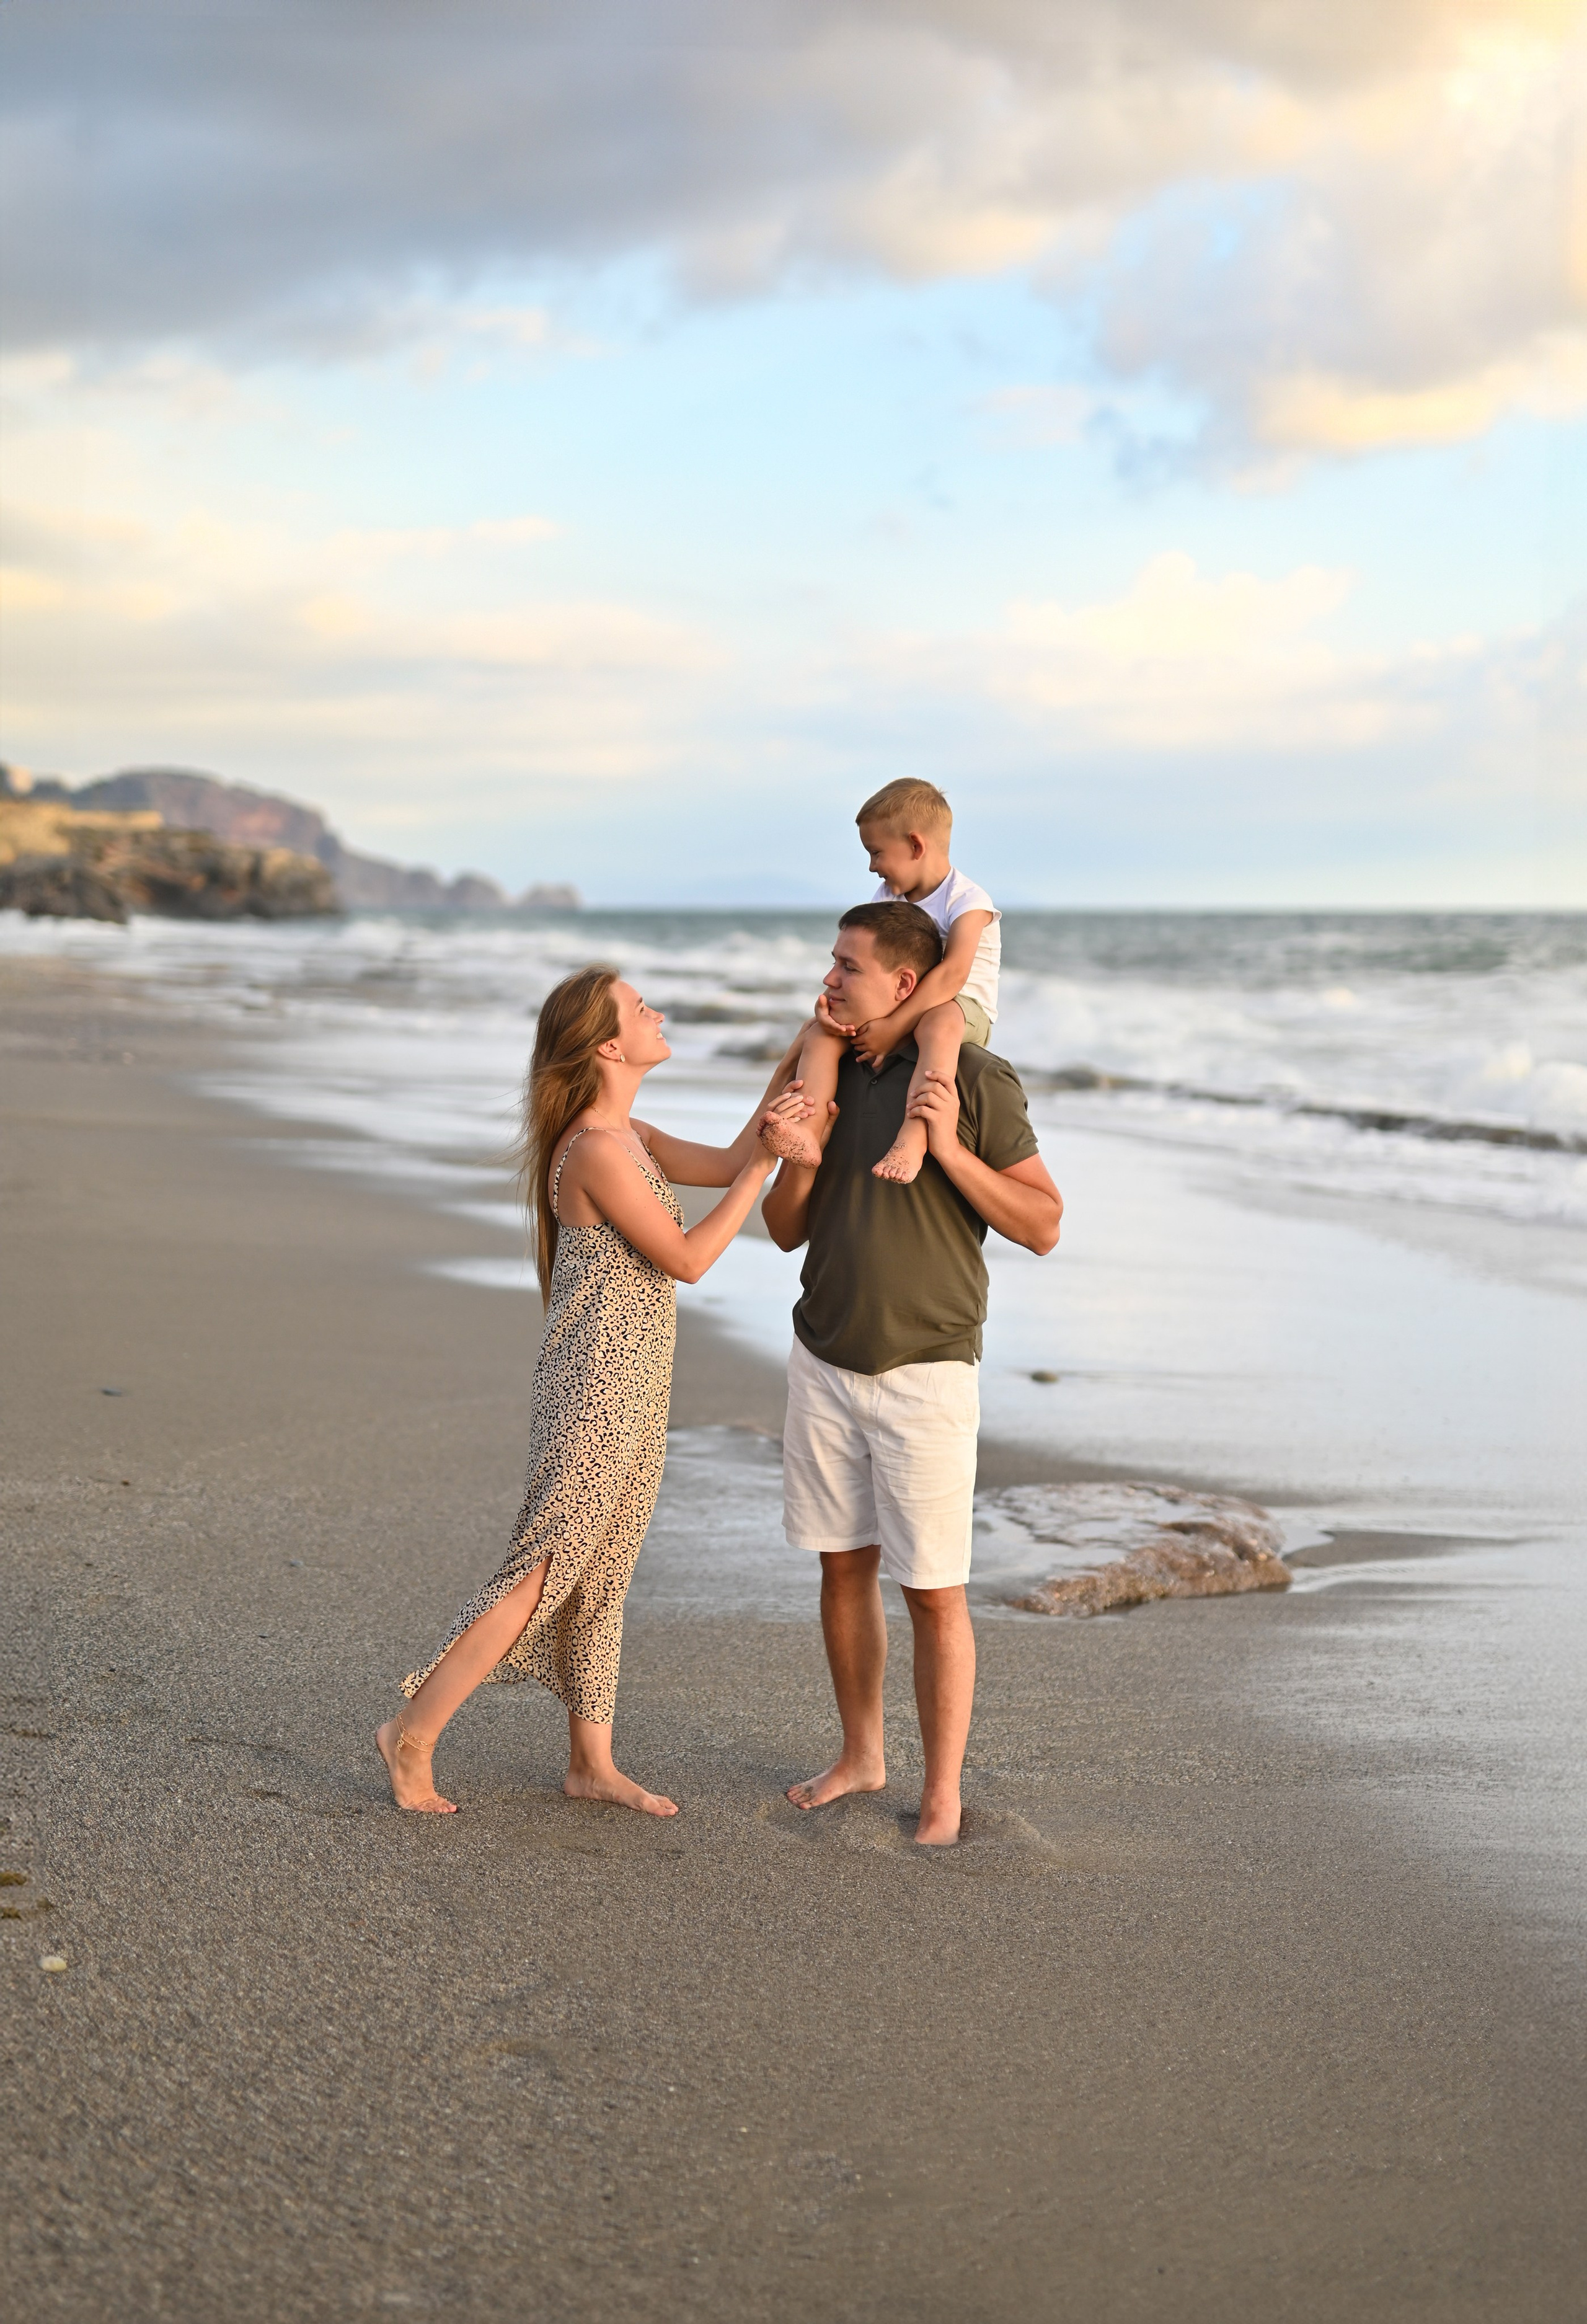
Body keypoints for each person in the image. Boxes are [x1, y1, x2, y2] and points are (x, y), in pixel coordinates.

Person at [376, 965, 811, 1817]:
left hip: (640, 1383)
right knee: (543, 1570)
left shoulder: (632, 1134)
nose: (657, 1013)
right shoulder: (598, 1150)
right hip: (592, 1387)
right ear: (611, 1043)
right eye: (641, 1007)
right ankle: (411, 1734)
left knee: (605, 1573)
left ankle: (590, 1764)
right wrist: (768, 1166)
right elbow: (688, 1258)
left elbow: (728, 1159)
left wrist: (798, 1056)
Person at [761, 902, 1062, 1845]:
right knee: (841, 1567)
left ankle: (941, 1792)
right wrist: (799, 1151)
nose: (832, 978)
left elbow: (1043, 1223)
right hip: (824, 1353)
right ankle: (860, 1754)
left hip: (927, 1369)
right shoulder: (829, 1069)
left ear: (906, 982)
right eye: (832, 961)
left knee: (934, 1591)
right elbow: (783, 1227)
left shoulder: (971, 1075)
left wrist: (952, 1149)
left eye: (849, 965)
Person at [760, 778, 999, 1186]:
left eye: (876, 853)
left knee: (936, 1023)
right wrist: (836, 1013)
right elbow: (867, 963)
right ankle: (808, 1129)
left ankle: (915, 1136)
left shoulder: (967, 900)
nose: (872, 866)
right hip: (903, 1006)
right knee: (821, 1034)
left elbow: (953, 973)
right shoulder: (887, 896)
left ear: (915, 846)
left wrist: (892, 1027)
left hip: (961, 1008)